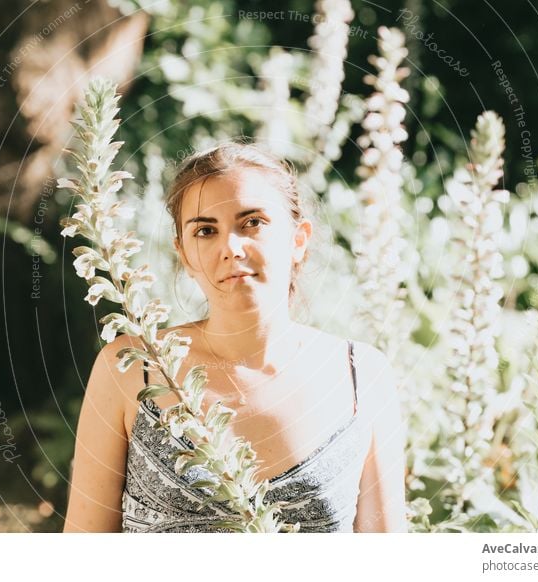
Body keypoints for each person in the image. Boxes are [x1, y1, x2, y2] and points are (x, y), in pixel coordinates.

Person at [63, 142, 407, 533]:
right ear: (185, 254)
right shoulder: (129, 368)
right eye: (206, 231)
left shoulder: (362, 375)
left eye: (252, 222)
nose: (230, 247)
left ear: (299, 240)